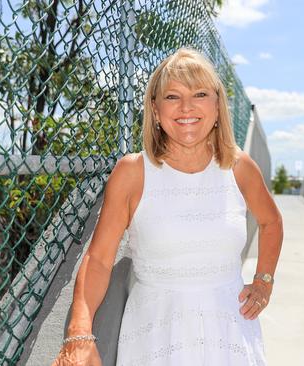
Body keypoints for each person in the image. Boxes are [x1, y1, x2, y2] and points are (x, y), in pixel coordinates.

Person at [52, 47, 283, 366]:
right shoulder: (132, 172)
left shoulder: (239, 167)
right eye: (172, 96)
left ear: (217, 106)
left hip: (231, 335)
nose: (186, 106)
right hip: (155, 336)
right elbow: (99, 260)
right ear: (155, 109)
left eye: (200, 93)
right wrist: (79, 333)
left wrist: (264, 281)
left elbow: (271, 222)